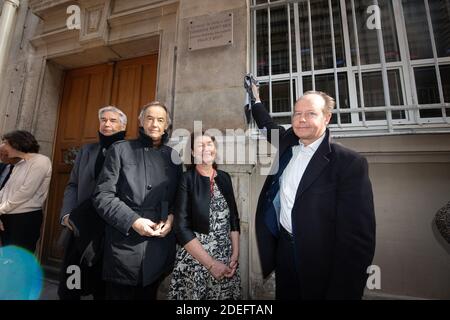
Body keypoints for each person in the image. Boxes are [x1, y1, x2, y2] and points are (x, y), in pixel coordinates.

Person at [250, 84, 376, 300]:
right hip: (285, 251)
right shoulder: (288, 142)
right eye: (297, 113)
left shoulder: (349, 163)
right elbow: (267, 124)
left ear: (326, 118)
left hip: (321, 263)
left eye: (311, 114)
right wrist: (255, 99)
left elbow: (357, 241)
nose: (301, 119)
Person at [93, 101, 182, 300]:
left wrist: (171, 219)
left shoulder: (173, 156)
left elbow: (178, 197)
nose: (154, 124)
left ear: (167, 125)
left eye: (160, 120)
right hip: (124, 243)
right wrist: (134, 221)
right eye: (149, 118)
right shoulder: (120, 150)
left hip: (158, 243)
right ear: (141, 122)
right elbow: (102, 196)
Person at [58, 106, 127, 300]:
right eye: (103, 120)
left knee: (103, 288)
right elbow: (73, 184)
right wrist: (66, 215)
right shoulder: (87, 150)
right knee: (71, 285)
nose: (107, 124)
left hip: (109, 230)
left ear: (123, 125)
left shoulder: (130, 152)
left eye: (113, 120)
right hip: (79, 225)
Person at [168, 132, 241, 300]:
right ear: (193, 153)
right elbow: (181, 227)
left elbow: (234, 219)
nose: (206, 148)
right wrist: (211, 264)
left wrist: (235, 254)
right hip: (197, 257)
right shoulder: (186, 179)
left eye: (209, 143)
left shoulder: (224, 177)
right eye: (201, 145)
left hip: (226, 255)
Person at [0, 130, 52, 253]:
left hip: (24, 219)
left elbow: (25, 192)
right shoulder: (19, 164)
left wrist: (0, 209)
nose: (2, 146)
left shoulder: (41, 161)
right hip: (7, 216)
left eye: (5, 143)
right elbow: (5, 190)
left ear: (17, 145)